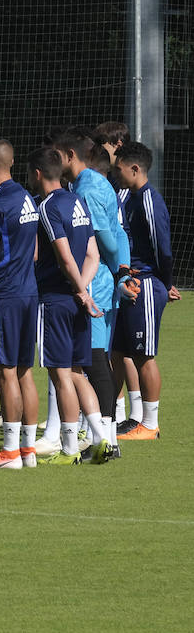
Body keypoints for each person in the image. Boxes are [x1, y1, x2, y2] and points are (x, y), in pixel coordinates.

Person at [37, 127, 132, 457]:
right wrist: (120, 269)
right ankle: (93, 435)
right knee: (82, 364)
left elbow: (106, 237)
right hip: (100, 279)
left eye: (58, 154)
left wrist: (112, 273)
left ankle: (103, 437)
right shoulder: (89, 185)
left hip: (90, 284)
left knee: (84, 363)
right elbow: (115, 234)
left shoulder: (86, 189)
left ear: (69, 156)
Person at [28, 146, 107, 466]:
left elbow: (63, 256)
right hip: (77, 298)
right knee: (77, 373)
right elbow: (93, 255)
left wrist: (78, 289)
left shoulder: (47, 207)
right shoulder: (78, 201)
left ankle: (71, 449)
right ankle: (102, 437)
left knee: (61, 374)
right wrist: (84, 291)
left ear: (36, 174)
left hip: (57, 299)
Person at [0, 140, 42, 469]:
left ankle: (10, 451)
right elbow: (36, 253)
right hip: (29, 292)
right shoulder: (28, 198)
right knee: (25, 372)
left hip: (2, 296)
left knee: (6, 373)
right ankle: (27, 451)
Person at [113, 141, 179, 442]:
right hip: (132, 284)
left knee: (144, 356)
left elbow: (162, 247)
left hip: (146, 284)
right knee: (120, 353)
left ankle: (151, 425)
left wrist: (164, 283)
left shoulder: (149, 200)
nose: (116, 174)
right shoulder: (128, 197)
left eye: (120, 169)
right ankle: (113, 418)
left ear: (135, 168)